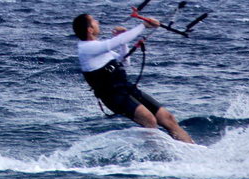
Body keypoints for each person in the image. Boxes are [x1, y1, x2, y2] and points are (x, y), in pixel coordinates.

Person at [72, 11, 195, 143]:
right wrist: (143, 26)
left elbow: (125, 61)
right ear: (90, 29)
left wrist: (123, 42)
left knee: (167, 118)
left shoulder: (97, 48)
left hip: (126, 88)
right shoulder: (86, 48)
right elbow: (116, 41)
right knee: (149, 120)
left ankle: (193, 149)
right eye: (94, 21)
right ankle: (159, 157)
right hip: (113, 96)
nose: (98, 22)